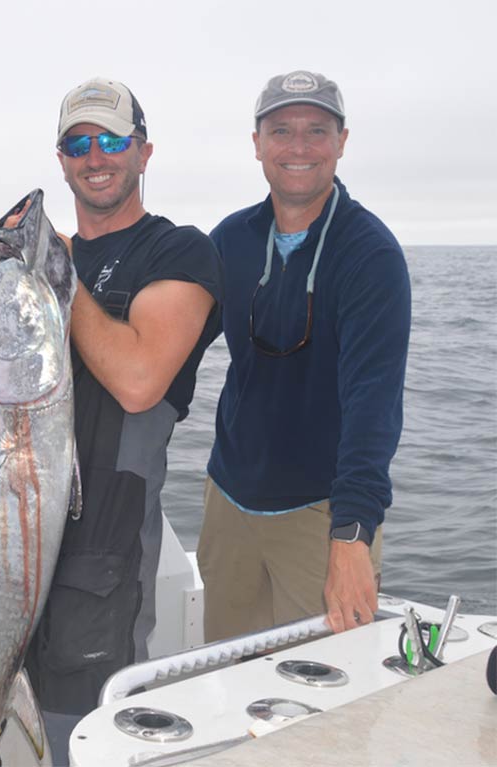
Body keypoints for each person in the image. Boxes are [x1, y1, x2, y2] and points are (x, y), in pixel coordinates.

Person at [23, 77, 223, 765]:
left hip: (101, 571)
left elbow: (140, 384)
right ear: (61, 159)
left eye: (112, 139)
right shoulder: (31, 268)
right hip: (8, 554)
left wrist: (58, 275)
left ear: (144, 150)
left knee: (81, 744)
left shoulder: (178, 252)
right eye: (78, 142)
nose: (95, 155)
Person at [198, 70, 411, 643]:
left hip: (322, 516)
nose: (298, 147)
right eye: (281, 130)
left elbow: (374, 405)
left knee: (324, 710)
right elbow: (171, 356)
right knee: (218, 684)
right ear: (257, 144)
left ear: (342, 142)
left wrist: (352, 536)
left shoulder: (371, 255)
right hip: (229, 505)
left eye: (317, 130)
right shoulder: (230, 239)